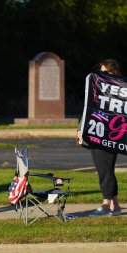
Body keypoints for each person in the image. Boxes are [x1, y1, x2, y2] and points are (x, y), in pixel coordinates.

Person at [77, 59, 122, 217]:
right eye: (102, 72)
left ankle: (105, 204)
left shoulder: (121, 91)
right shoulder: (95, 88)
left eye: (108, 72)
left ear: (115, 73)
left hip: (111, 135)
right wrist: (80, 129)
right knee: (104, 169)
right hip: (94, 132)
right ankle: (115, 205)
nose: (104, 75)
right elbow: (87, 108)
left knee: (104, 169)